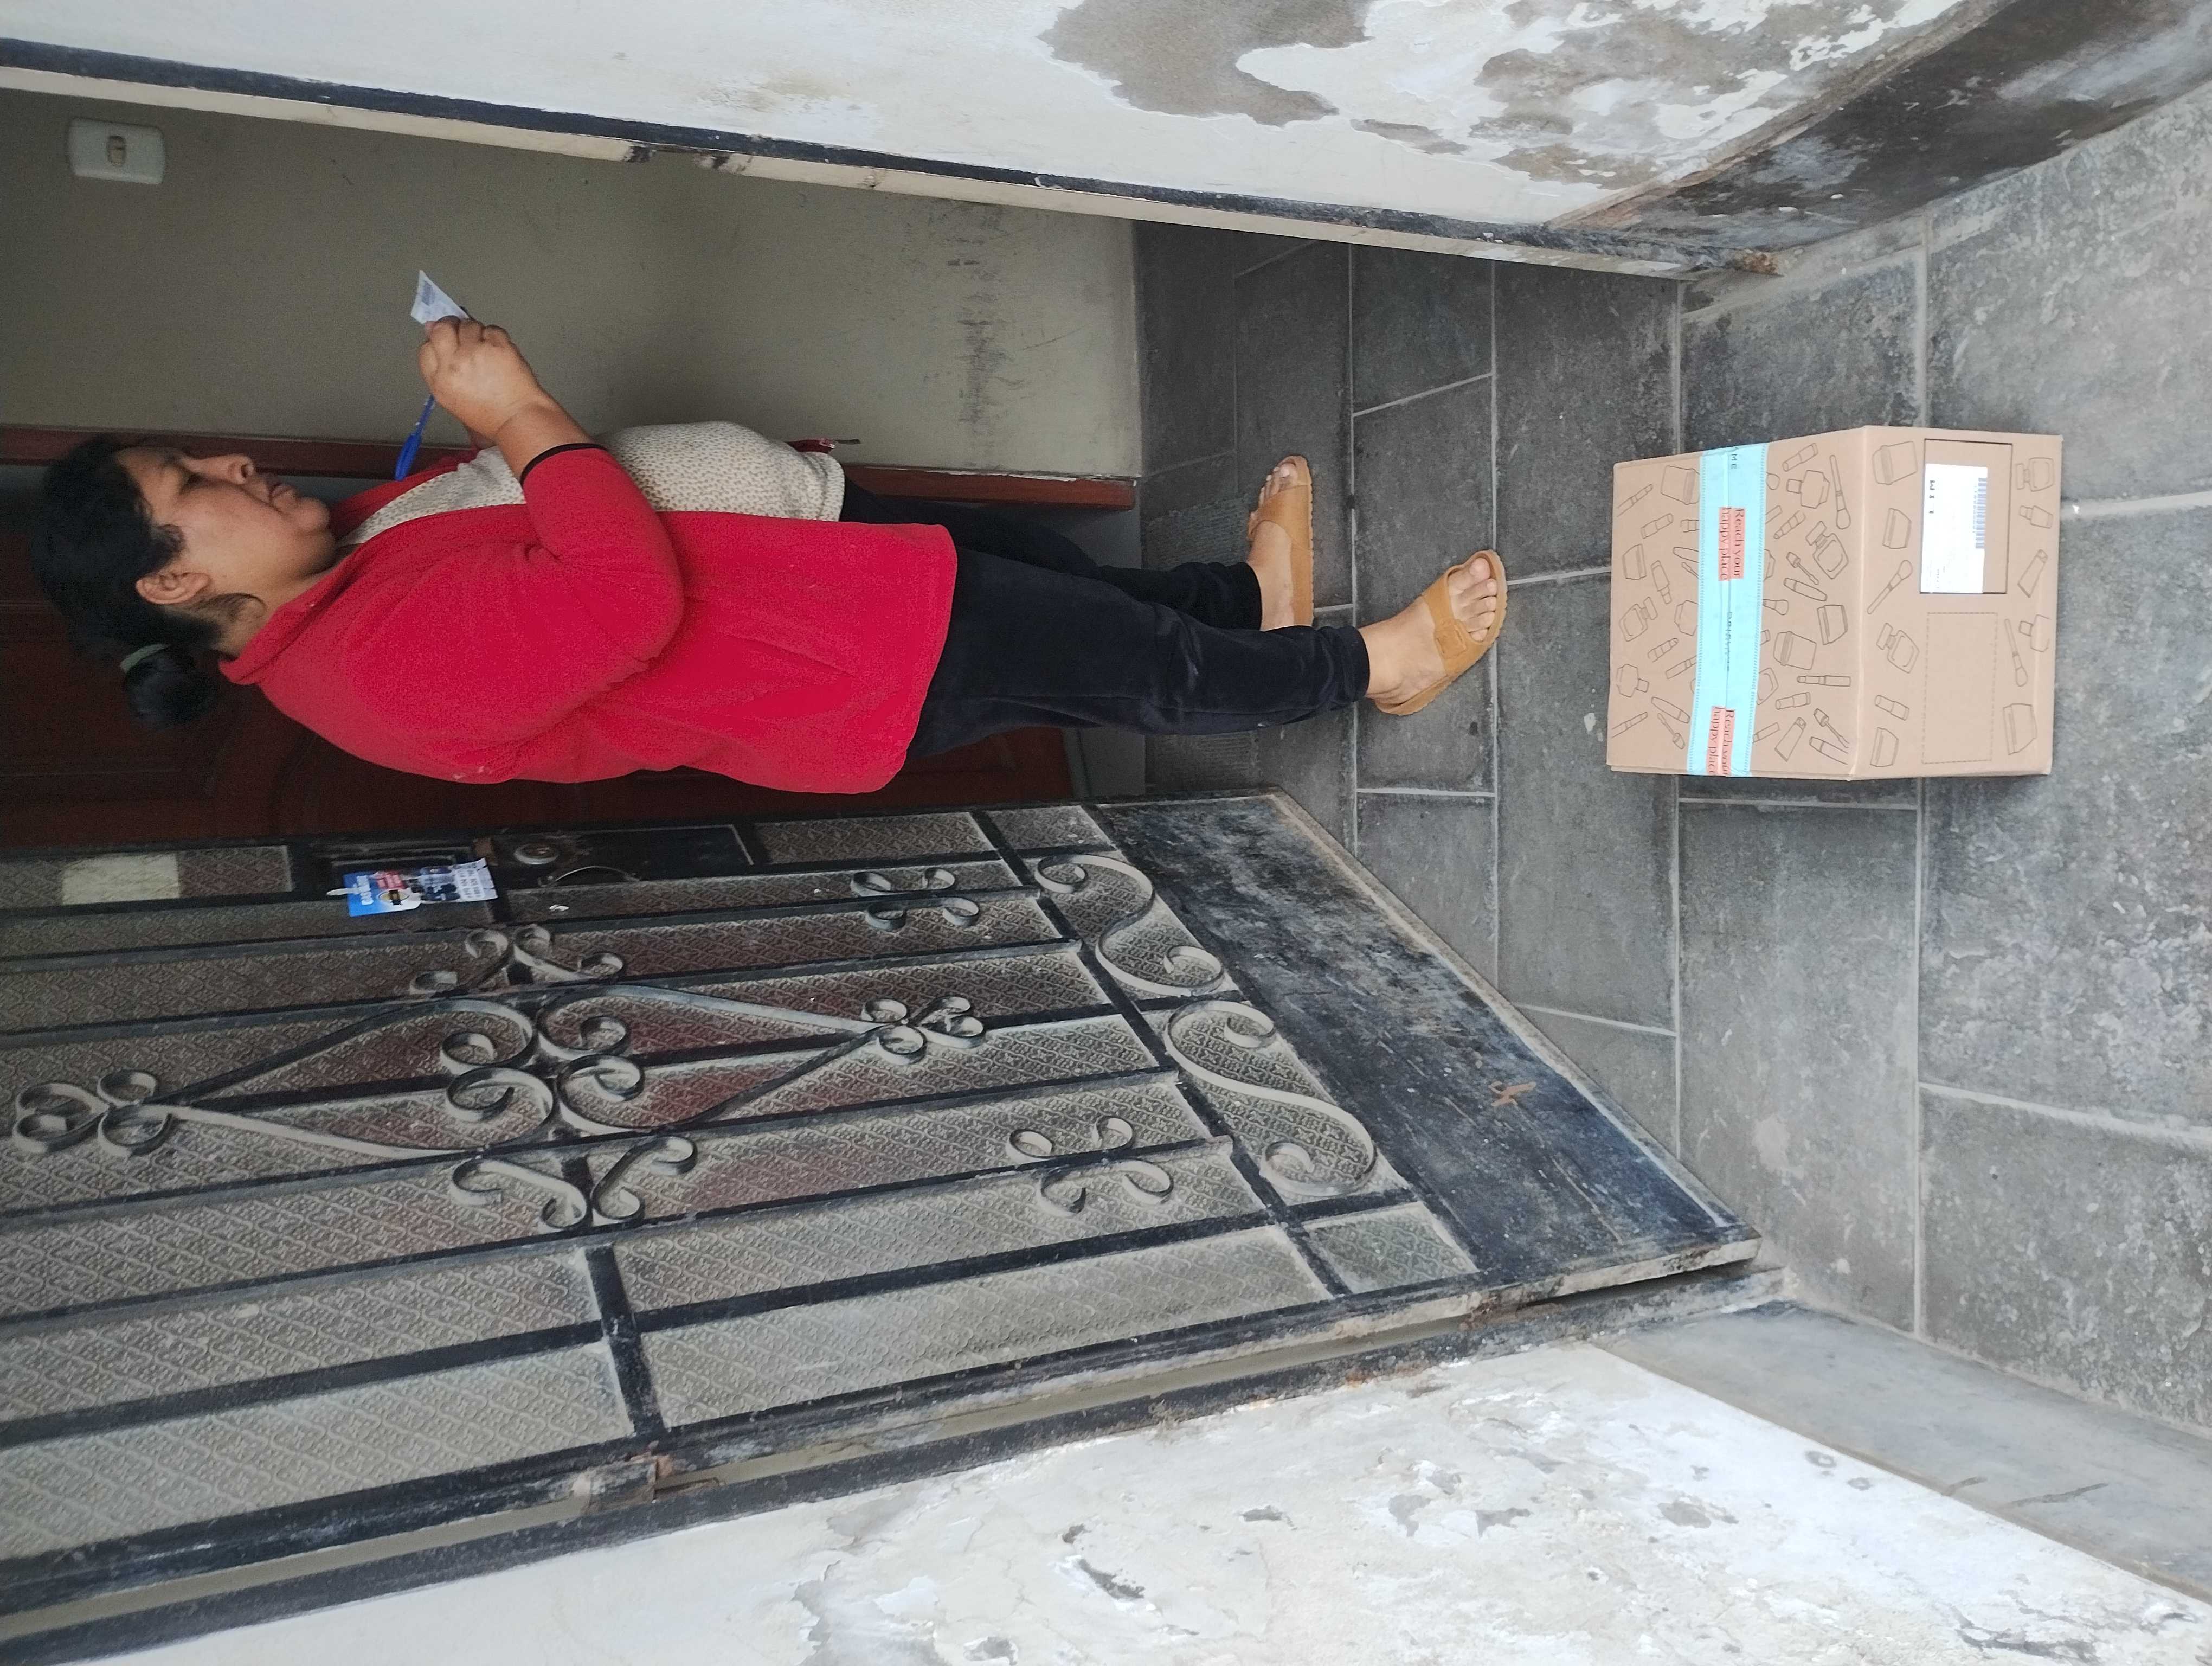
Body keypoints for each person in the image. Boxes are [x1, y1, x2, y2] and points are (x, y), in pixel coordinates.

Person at [30, 320, 1505, 794]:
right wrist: (516, 408)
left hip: (820, 554)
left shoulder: (346, 554)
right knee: (1133, 668)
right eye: (193, 488)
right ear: (173, 581)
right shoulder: (367, 678)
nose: (235, 467)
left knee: (1082, 592)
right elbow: (619, 599)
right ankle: (1368, 671)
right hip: (843, 658)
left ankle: (1252, 600)